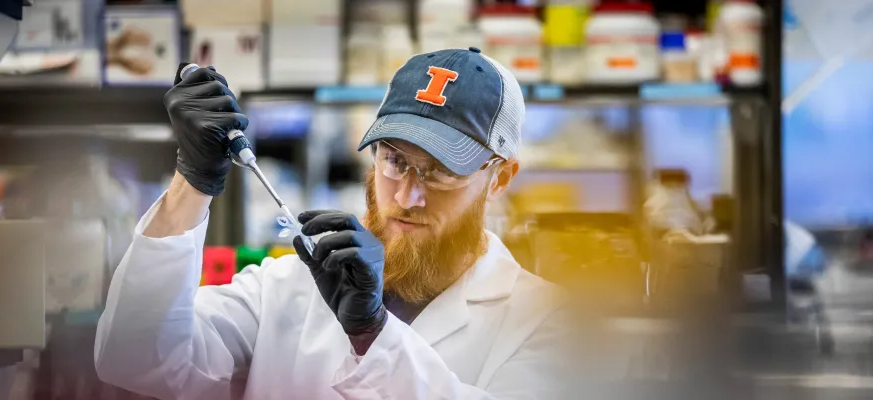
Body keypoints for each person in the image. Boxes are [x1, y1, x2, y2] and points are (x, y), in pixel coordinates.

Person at [94, 48, 569, 399]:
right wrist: (193, 180)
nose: (406, 196)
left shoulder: (546, 322)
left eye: (443, 171)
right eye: (394, 160)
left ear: (500, 177)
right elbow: (135, 358)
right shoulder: (286, 287)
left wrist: (372, 332)